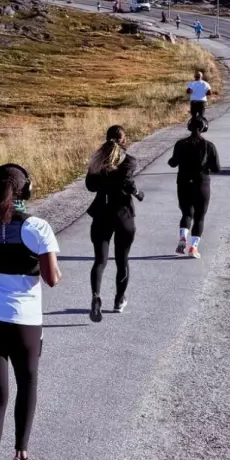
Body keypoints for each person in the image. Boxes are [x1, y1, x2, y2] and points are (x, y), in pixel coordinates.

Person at [0, 164, 61, 460]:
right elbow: (51, 278)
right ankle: (21, 451)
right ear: (26, 191)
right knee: (27, 382)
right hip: (23, 322)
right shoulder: (38, 227)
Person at [85, 126, 143, 321]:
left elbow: (90, 186)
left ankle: (95, 297)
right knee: (122, 260)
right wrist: (138, 193)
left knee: (100, 261)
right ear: (123, 139)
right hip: (123, 215)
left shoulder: (97, 160)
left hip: (101, 214)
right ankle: (119, 300)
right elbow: (128, 184)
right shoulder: (129, 161)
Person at [168, 115, 221, 259]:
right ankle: (193, 248)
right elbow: (216, 168)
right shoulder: (209, 146)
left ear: (189, 127)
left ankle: (182, 238)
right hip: (202, 183)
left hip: (184, 183)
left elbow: (173, 163)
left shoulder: (180, 144)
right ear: (204, 128)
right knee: (199, 217)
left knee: (186, 214)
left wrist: (174, 160)